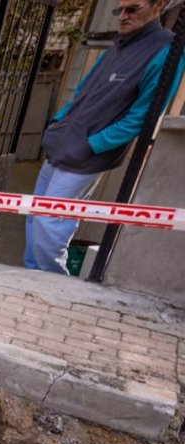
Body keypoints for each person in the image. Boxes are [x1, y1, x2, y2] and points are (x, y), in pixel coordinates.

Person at [26, 0, 184, 273]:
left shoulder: (166, 51)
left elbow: (143, 116)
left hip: (86, 156)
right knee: (34, 217)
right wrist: (58, 123)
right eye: (119, 10)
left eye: (132, 9)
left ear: (158, 5)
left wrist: (92, 144)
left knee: (49, 223)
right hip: (62, 146)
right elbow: (81, 95)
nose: (123, 16)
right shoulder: (118, 45)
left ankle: (50, 286)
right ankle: (29, 279)